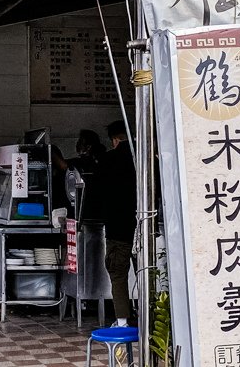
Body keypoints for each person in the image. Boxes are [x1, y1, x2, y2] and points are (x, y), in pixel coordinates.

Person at [100, 119, 137, 327]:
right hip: (143, 225)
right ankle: (152, 317)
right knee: (146, 272)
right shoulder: (145, 157)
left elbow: (96, 193)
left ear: (114, 140)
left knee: (118, 273)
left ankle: (122, 321)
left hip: (117, 228)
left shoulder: (107, 160)